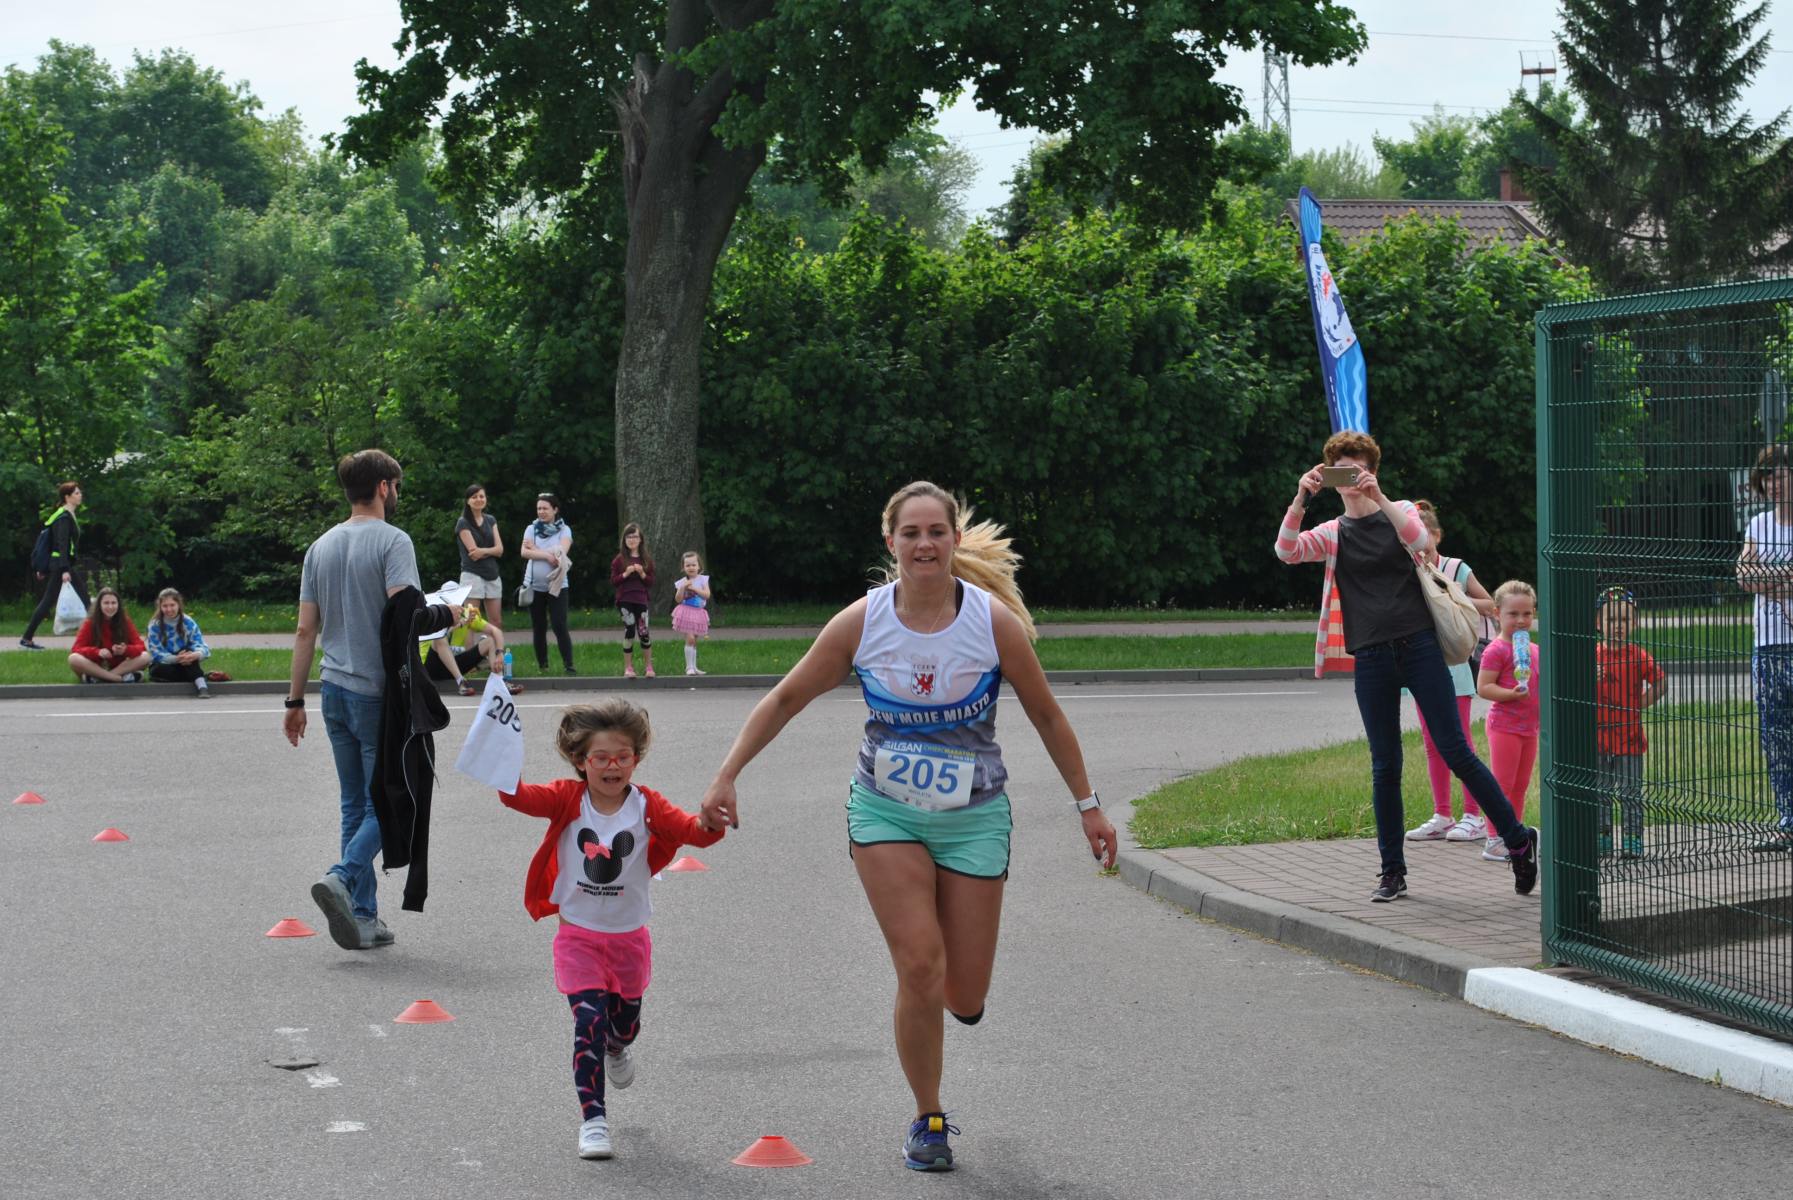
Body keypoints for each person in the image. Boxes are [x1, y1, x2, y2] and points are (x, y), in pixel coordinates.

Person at [699, 481, 1118, 1173]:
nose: (924, 544)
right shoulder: (862, 622)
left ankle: (949, 1003)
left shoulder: (991, 623)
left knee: (964, 994)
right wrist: (726, 773)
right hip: (884, 810)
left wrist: (1088, 805)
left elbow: (1047, 714)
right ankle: (929, 1117)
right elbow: (787, 696)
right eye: (911, 533)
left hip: (974, 818)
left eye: (936, 532)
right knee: (919, 964)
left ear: (955, 539)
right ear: (889, 540)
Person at [1275, 430, 1538, 902]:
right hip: (1371, 656)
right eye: (1341, 471)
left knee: (1455, 750)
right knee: (1385, 765)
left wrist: (1378, 496)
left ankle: (1518, 841)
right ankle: (1392, 872)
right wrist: (1300, 498)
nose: (1351, 479)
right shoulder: (1334, 532)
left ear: (1373, 471)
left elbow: (1421, 543)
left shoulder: (1399, 511)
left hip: (1418, 647)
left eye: (1359, 469)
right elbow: (1287, 551)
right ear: (1330, 477)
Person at [497, 700, 726, 1160]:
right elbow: (517, 796)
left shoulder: (646, 805)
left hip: (629, 939)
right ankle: (594, 1122)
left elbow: (689, 830)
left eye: (623, 757)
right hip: (577, 937)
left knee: (623, 1026)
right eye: (601, 758)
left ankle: (617, 1049)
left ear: (636, 759)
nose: (612, 767)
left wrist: (711, 824)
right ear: (580, 760)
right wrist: (500, 762)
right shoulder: (566, 798)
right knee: (588, 1023)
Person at [283, 449, 427, 952]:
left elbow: (305, 630)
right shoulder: (393, 541)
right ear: (384, 486)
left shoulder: (319, 547)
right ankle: (343, 877)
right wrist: (450, 615)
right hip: (376, 694)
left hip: (333, 691)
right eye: (396, 485)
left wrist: (294, 700)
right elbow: (406, 616)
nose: (397, 492)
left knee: (354, 805)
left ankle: (363, 916)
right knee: (396, 801)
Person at [1403, 501, 1496, 843]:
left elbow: (1491, 605)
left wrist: (1451, 595)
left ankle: (1474, 816)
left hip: (1454, 664)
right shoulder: (1406, 568)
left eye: (1423, 535)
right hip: (1419, 664)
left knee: (1460, 742)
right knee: (1432, 743)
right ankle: (1443, 814)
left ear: (1437, 535)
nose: (1417, 543)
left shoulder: (1455, 567)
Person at [1737, 444, 1793, 852]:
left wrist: (1765, 577)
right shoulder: (1758, 524)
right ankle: (1787, 821)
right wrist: (1784, 577)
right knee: (1776, 737)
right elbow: (1744, 576)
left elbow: (1757, 576)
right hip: (1769, 643)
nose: (1772, 484)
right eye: (1766, 477)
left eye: (1779, 475)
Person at [1594, 586, 1665, 858]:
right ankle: (1601, 837)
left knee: (1630, 791)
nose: (1618, 625)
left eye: (1625, 620)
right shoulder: (1592, 655)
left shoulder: (1638, 655)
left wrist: (1640, 704)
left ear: (1634, 623)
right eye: (1611, 619)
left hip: (1630, 738)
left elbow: (1660, 683)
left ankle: (1632, 840)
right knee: (1600, 790)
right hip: (1598, 737)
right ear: (1598, 623)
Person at [1475, 581, 1542, 863]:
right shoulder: (1496, 650)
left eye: (1527, 614)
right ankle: (1494, 838)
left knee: (1520, 785)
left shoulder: (1535, 650)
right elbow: (1484, 687)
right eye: (1513, 614)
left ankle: (1514, 835)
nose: (1521, 620)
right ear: (1497, 613)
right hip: (1504, 727)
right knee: (1501, 785)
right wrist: (1511, 694)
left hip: (1530, 728)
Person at [20, 481, 88, 650]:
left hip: (60, 564)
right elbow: (61, 544)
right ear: (67, 497)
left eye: (79, 492)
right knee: (81, 600)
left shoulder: (66, 515)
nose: (80, 495)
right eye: (77, 493)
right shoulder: (63, 517)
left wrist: (45, 567)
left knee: (55, 600)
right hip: (61, 565)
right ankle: (26, 639)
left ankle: (27, 638)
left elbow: (54, 543)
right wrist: (64, 570)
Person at [522, 494, 576, 675]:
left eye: (545, 508)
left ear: (555, 510)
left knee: (559, 624)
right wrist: (546, 555)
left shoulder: (564, 530)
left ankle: (569, 665)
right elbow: (524, 553)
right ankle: (543, 666)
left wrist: (535, 549)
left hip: (558, 586)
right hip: (535, 587)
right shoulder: (531, 529)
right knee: (539, 627)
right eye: (539, 508)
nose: (541, 512)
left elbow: (561, 555)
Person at [422, 603, 522, 696]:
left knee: (491, 641)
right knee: (439, 639)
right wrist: (461, 623)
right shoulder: (436, 613)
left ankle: (500, 682)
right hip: (429, 666)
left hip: (454, 664)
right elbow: (439, 633)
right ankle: (461, 682)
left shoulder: (466, 614)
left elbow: (496, 631)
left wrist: (500, 653)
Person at [67, 587, 150, 684]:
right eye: (106, 603)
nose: (110, 607)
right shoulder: (90, 623)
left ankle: (101, 678)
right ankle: (120, 679)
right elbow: (76, 649)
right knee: (73, 658)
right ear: (99, 605)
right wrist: (97, 652)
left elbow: (141, 647)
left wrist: (125, 650)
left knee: (145, 656)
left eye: (113, 603)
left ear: (118, 604)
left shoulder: (125, 621)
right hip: (96, 666)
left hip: (119, 667)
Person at [145, 587, 214, 698]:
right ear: (160, 607)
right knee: (158, 670)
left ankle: (202, 687)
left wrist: (196, 655)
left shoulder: (188, 622)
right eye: (165, 606)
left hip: (186, 660)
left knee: (188, 652)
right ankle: (198, 677)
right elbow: (156, 652)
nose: (169, 609)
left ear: (178, 605)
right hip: (164, 663)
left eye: (172, 605)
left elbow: (201, 645)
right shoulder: (154, 625)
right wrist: (176, 659)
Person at [456, 484, 505, 626]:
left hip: (492, 574)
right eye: (474, 497)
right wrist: (491, 551)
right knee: (470, 621)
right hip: (472, 575)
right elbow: (473, 554)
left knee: (496, 621)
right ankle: (469, 644)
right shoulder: (463, 522)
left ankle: (493, 642)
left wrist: (482, 551)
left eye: (481, 496)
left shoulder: (491, 520)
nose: (479, 499)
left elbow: (500, 550)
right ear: (468, 501)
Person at [610, 523, 655, 679]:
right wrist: (625, 574)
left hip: (641, 599)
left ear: (640, 539)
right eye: (628, 536)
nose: (632, 539)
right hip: (625, 600)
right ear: (624, 540)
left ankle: (649, 666)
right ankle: (628, 667)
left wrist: (642, 573)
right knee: (629, 631)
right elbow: (614, 581)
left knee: (644, 632)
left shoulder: (646, 559)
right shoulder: (619, 560)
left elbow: (650, 582)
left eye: (635, 536)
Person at [671, 550, 710, 676]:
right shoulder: (682, 582)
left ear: (699, 566)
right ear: (683, 567)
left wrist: (694, 589)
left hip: (699, 613)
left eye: (693, 565)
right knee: (690, 639)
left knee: (694, 641)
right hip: (686, 613)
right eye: (688, 565)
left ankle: (694, 666)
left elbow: (707, 595)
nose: (691, 567)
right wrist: (682, 588)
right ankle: (689, 667)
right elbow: (678, 599)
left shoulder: (703, 580)